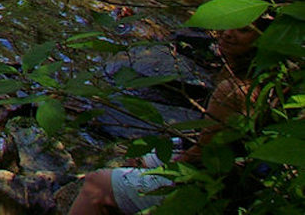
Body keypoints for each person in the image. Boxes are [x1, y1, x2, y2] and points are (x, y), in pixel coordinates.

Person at [67, 21, 267, 214]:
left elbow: (205, 152)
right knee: (139, 158)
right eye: (230, 24)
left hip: (215, 177)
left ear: (263, 40)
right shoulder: (260, 77)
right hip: (221, 159)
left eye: (242, 30)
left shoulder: (234, 90)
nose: (227, 33)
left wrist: (171, 167)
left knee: (96, 183)